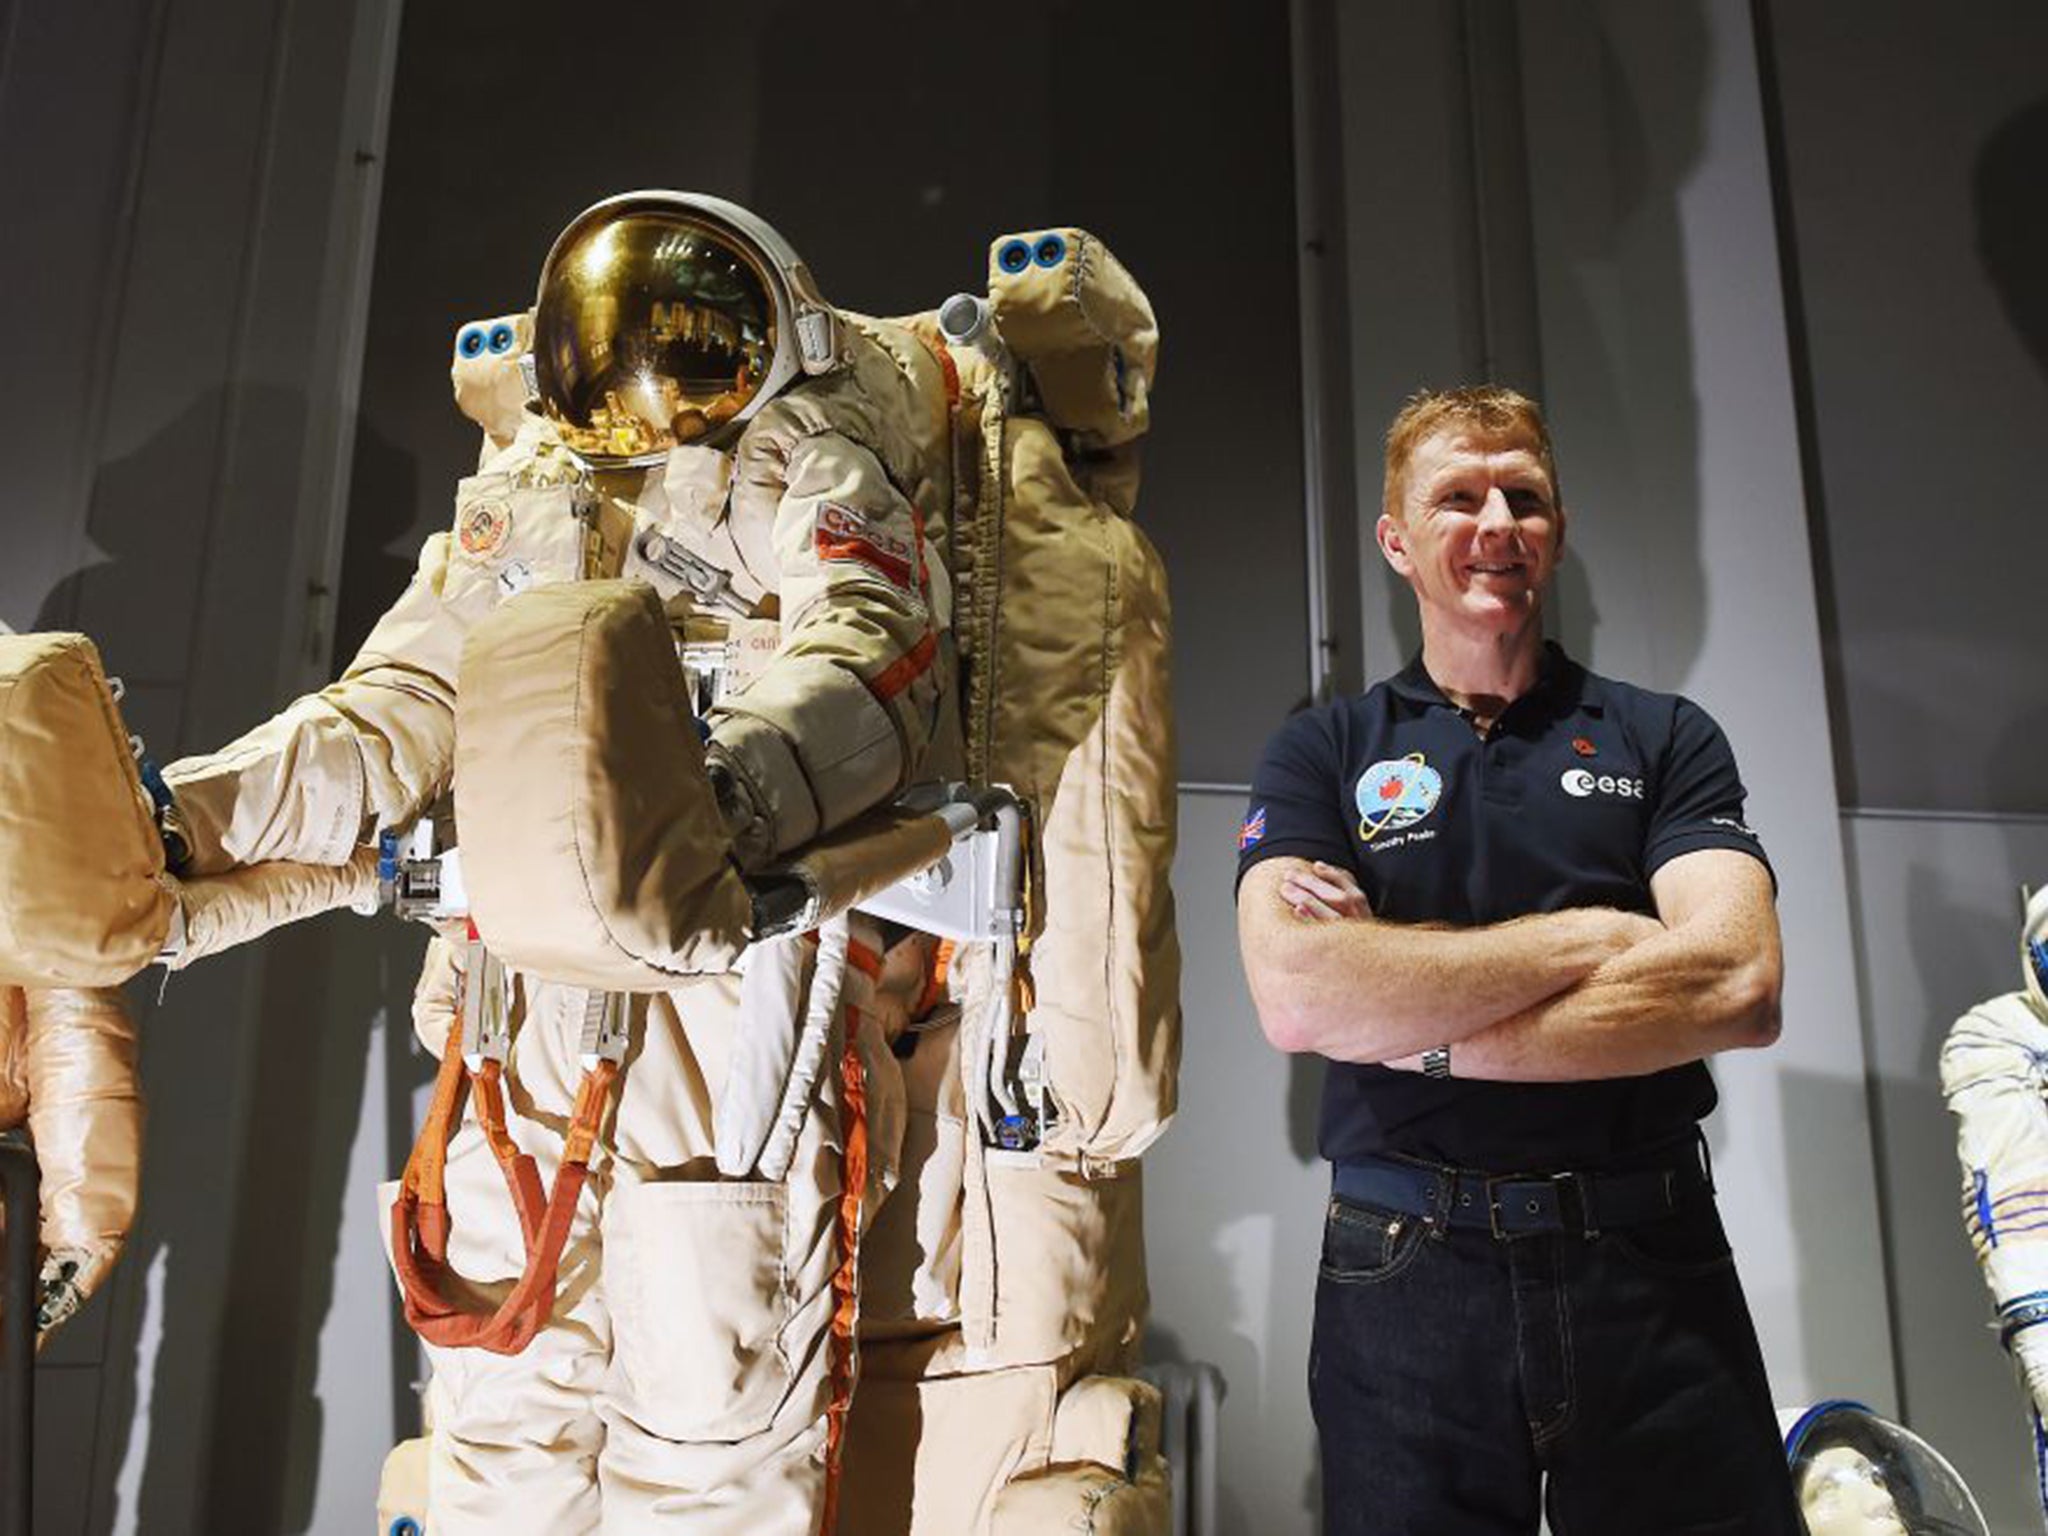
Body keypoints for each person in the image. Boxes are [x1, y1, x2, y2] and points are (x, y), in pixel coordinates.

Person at [161, 189, 954, 1534]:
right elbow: (396, 706)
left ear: (770, 338)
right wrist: (189, 820)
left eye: (686, 337)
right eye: (616, 341)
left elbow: (873, 656)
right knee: (499, 1417)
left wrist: (709, 801)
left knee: (707, 1429)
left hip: (724, 990)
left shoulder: (805, 462)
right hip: (511, 999)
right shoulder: (530, 495)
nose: (648, 383)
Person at [1234, 385, 1801, 1533]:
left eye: (1523, 497)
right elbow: (1298, 995)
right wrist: (1597, 937)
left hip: (1646, 1256)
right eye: (1457, 497)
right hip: (1403, 1269)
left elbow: (1733, 986)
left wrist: (1406, 1011)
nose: (1496, 521)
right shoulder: (1322, 749)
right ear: (1397, 539)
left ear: (1555, 531)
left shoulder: (1663, 737)